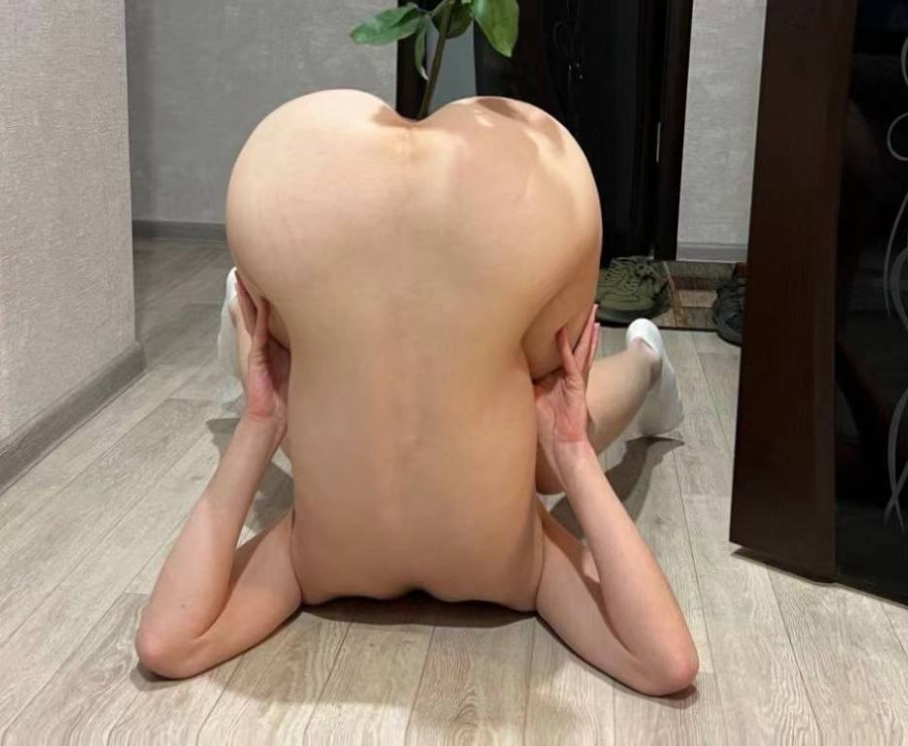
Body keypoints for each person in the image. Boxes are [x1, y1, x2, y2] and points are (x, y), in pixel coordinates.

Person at [135, 90, 698, 696]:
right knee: (543, 453)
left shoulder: (301, 560)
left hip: (335, 306)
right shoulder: (531, 567)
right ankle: (645, 358)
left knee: (341, 381)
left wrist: (261, 424)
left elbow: (170, 642)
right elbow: (664, 663)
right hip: (472, 403)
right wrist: (574, 457)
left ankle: (248, 322)